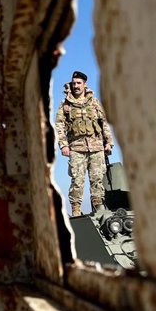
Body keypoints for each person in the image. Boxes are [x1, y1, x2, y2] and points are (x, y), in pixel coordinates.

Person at [55, 71, 114, 216]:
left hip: (96, 147)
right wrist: (63, 145)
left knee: (97, 179)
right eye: (74, 83)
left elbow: (104, 122)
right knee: (77, 180)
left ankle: (99, 206)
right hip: (76, 147)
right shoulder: (65, 105)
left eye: (79, 83)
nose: (76, 86)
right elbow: (59, 125)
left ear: (84, 84)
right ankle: (75, 209)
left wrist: (108, 143)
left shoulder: (94, 102)